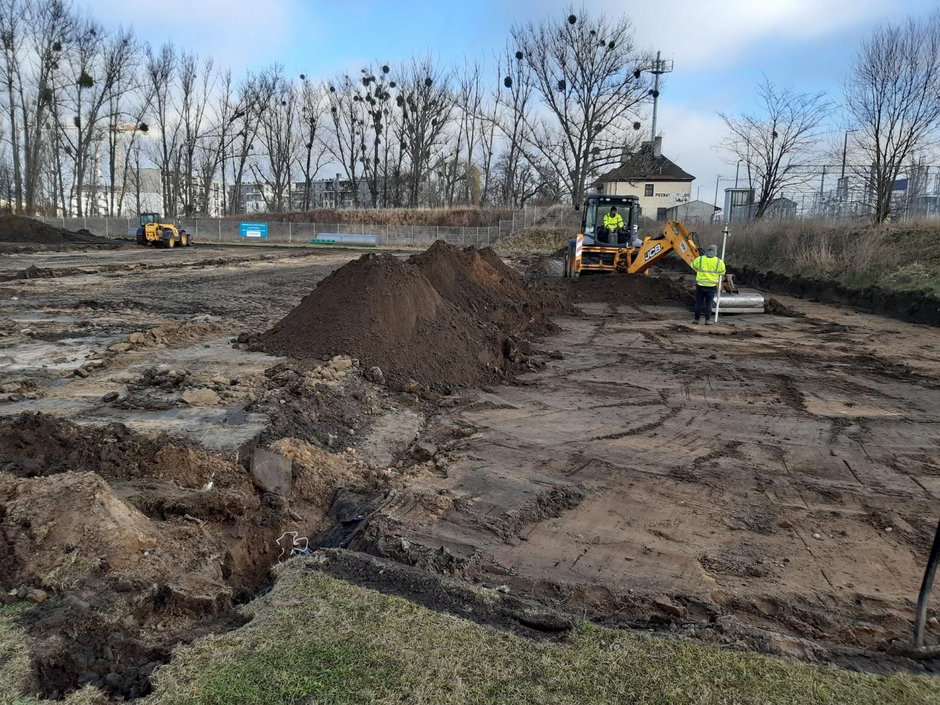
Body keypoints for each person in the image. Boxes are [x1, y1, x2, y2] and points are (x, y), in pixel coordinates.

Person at [691, 244, 726, 325]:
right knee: (709, 303)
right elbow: (722, 272)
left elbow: (693, 265)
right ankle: (707, 320)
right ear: (715, 252)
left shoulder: (700, 259)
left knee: (699, 303)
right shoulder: (719, 261)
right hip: (711, 286)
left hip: (700, 285)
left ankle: (696, 320)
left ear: (707, 250)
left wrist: (699, 270)